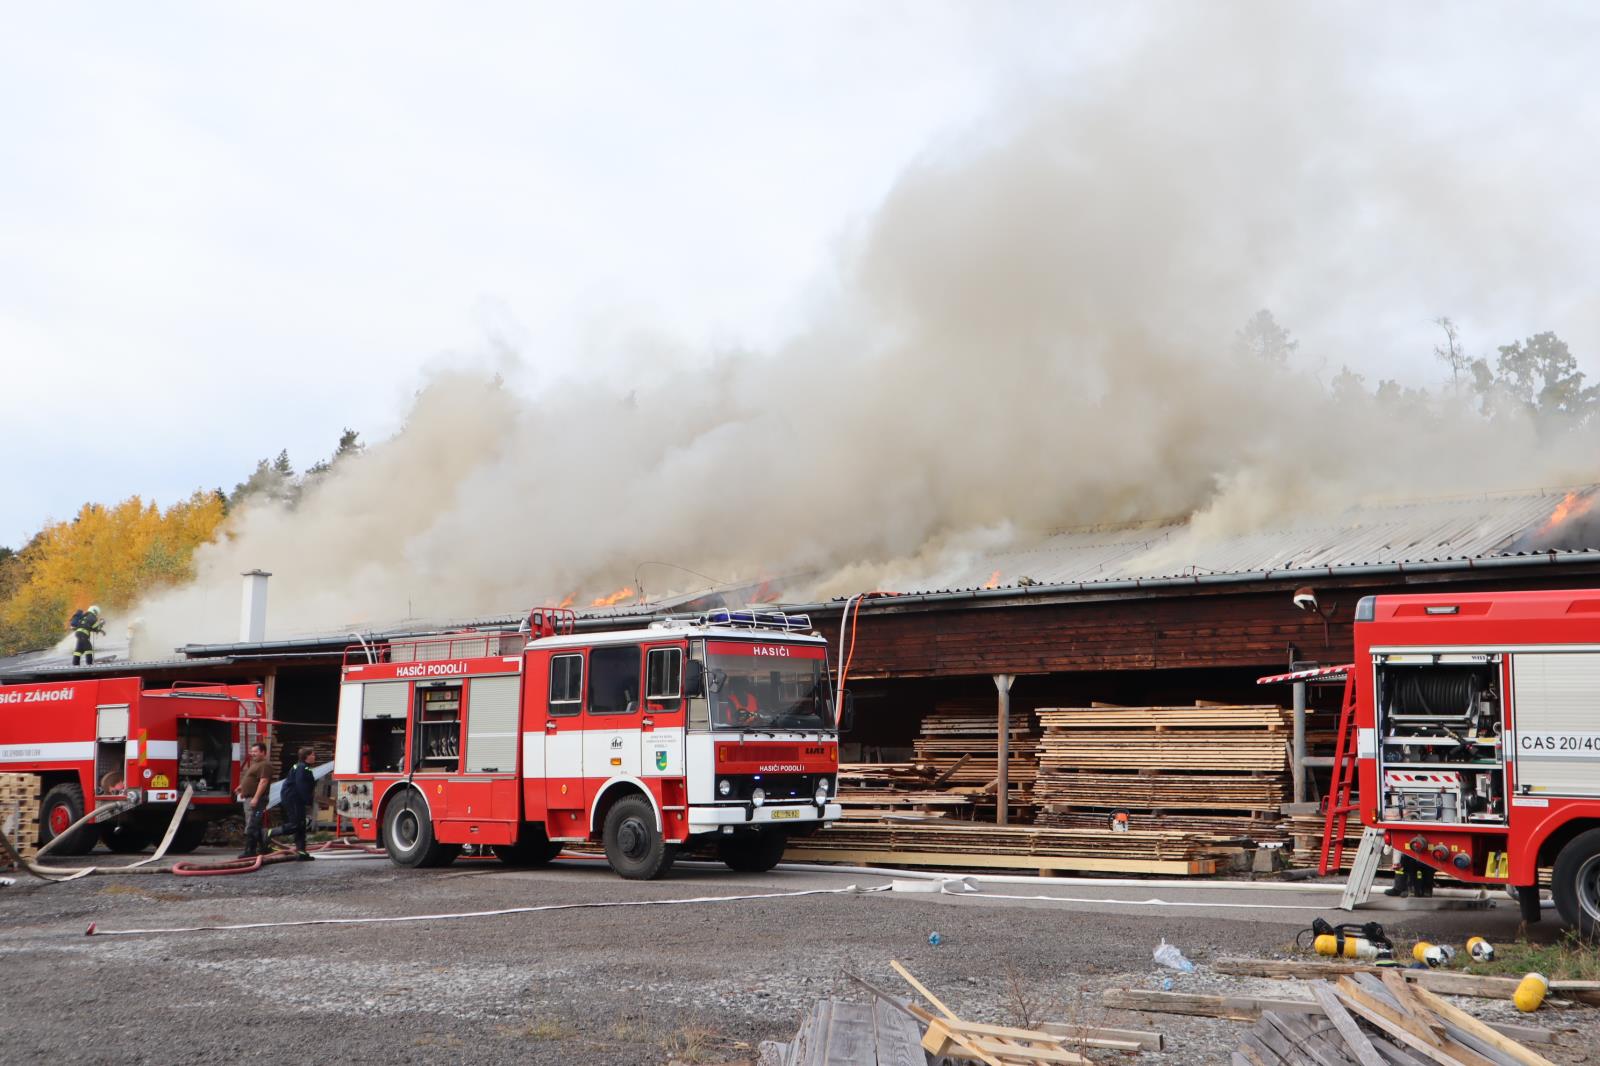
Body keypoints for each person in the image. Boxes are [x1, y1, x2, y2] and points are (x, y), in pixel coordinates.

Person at [274, 746, 317, 860]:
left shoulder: (302, 767)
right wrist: (308, 800)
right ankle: (269, 833)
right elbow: (301, 785)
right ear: (306, 756)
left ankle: (301, 852)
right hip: (293, 798)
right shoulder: (302, 768)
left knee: (301, 825)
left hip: (295, 798)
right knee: (296, 825)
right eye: (312, 754)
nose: (314, 757)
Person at [236, 742, 270, 858]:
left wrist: (256, 798)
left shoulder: (264, 765)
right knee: (255, 824)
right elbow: (252, 779)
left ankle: (250, 850)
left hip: (257, 800)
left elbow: (263, 782)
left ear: (263, 752)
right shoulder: (256, 764)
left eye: (255, 751)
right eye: (252, 751)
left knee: (252, 824)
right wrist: (242, 787)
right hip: (250, 798)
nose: (252, 754)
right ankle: (264, 848)